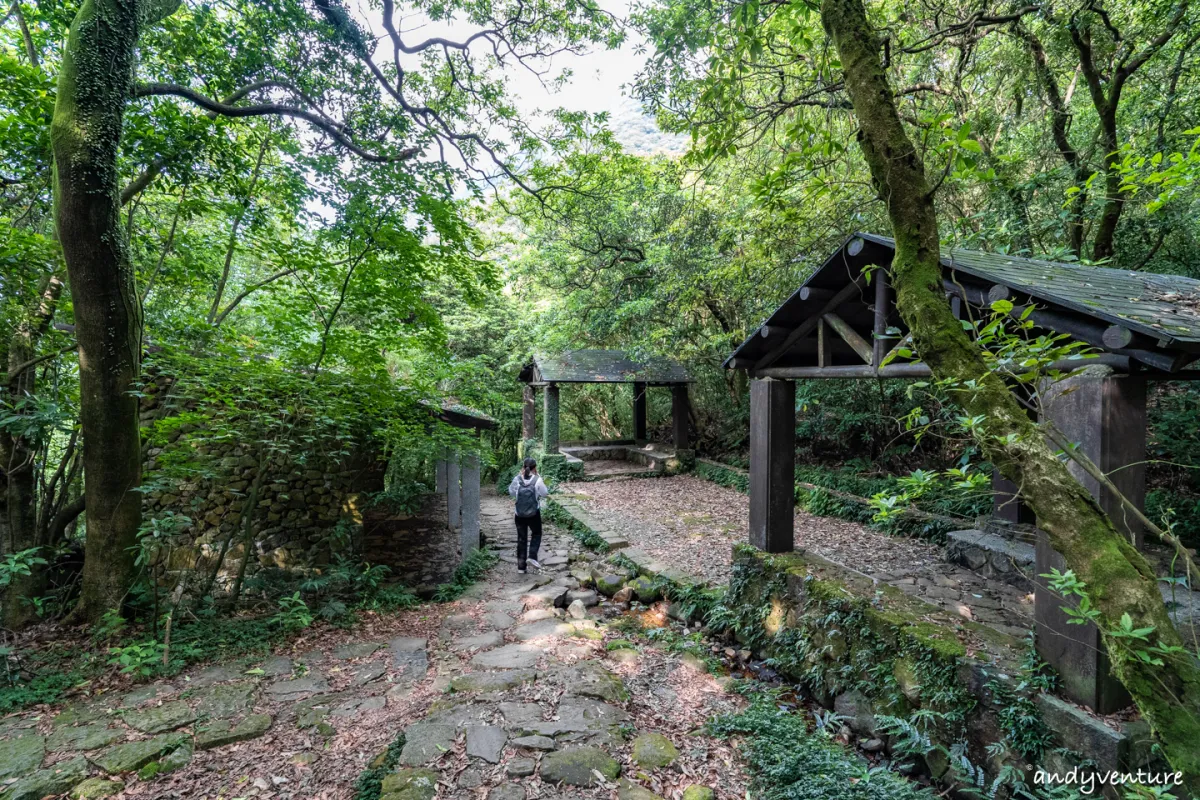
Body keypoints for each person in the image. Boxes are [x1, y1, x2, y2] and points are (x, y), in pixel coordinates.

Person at [507, 457, 549, 573]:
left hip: (519, 514)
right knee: (536, 533)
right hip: (534, 514)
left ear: (523, 467)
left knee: (522, 538)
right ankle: (532, 556)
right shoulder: (537, 480)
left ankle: (521, 568)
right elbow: (545, 494)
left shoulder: (517, 479)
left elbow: (511, 492)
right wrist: (539, 478)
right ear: (535, 468)